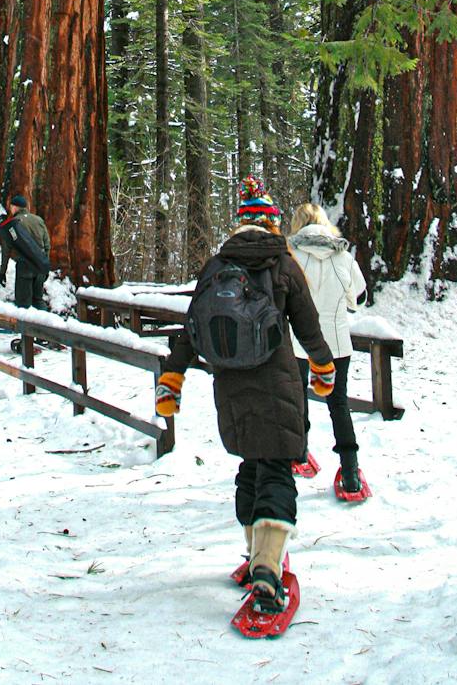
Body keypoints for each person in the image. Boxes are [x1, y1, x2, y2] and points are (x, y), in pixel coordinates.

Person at [154, 175, 336, 614]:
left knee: (250, 469)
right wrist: (324, 367)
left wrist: (172, 380)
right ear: (273, 226)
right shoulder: (282, 264)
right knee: (276, 469)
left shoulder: (216, 266)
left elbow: (190, 328)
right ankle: (267, 572)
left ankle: (255, 554)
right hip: (277, 382)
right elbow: (308, 324)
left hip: (231, 387)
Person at [288, 202, 368, 497]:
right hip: (336, 342)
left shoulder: (292, 255)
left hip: (299, 340)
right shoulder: (343, 256)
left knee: (298, 399)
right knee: (338, 404)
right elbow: (358, 297)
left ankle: (298, 456)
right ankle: (350, 473)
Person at [0, 195, 51, 310]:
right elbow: (47, 245)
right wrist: (45, 265)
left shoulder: (12, 225)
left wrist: (3, 272)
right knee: (38, 300)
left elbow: (6, 251)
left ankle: (24, 328)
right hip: (40, 264)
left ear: (14, 207)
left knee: (23, 304)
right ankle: (43, 326)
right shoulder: (38, 220)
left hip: (24, 266)